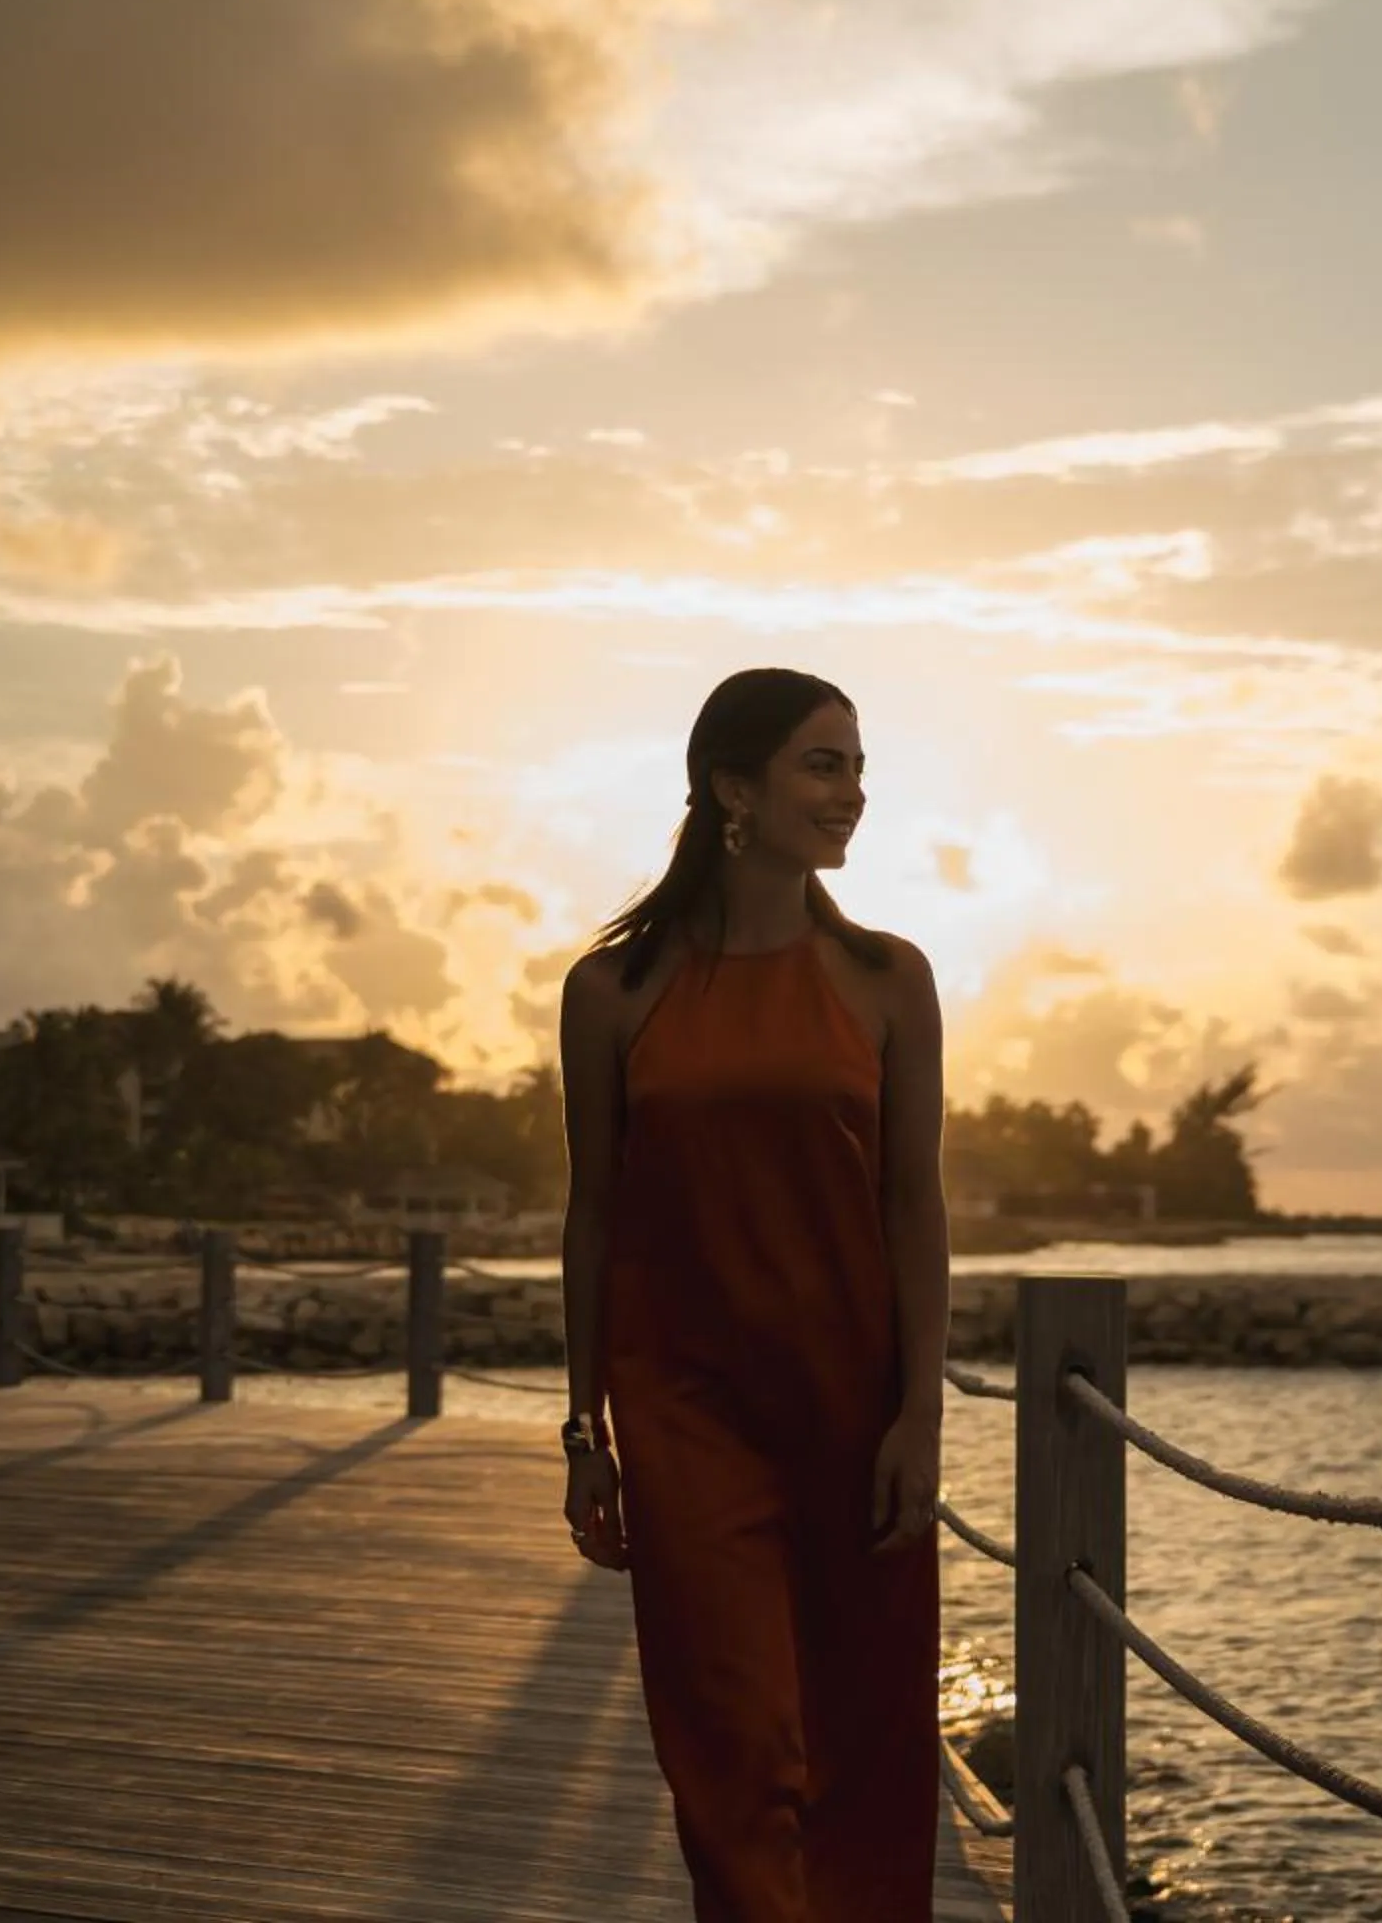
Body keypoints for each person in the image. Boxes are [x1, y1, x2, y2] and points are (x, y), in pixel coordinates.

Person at [555, 667, 950, 1920]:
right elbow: (595, 1215)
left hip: (853, 1413)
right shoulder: (613, 992)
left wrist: (920, 1415)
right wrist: (586, 1429)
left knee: (864, 1763)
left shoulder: (889, 979)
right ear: (734, 787)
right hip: (686, 1416)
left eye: (857, 764)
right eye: (821, 764)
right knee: (734, 1758)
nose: (853, 792)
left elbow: (913, 1207)